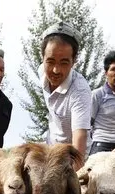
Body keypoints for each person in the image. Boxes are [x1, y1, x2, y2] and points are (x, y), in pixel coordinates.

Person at [38, 21, 92, 161]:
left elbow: (79, 142)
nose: (56, 70)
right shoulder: (41, 71)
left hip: (74, 157)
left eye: (64, 63)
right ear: (42, 58)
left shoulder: (80, 91)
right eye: (50, 61)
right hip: (51, 150)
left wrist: (76, 177)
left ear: (74, 61)